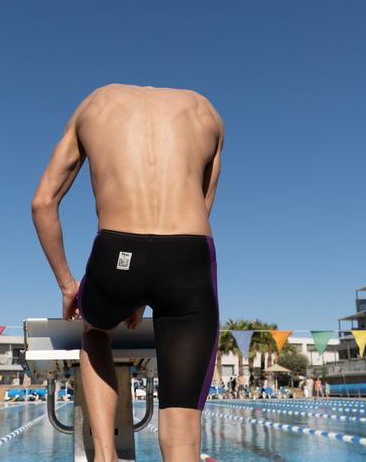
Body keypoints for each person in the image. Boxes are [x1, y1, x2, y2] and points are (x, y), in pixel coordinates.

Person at [32, 84, 225, 462]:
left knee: (95, 332)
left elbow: (42, 203)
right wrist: (153, 282)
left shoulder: (95, 104)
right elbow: (204, 205)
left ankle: (105, 454)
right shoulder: (206, 112)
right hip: (188, 257)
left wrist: (68, 284)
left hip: (116, 253)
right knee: (184, 436)